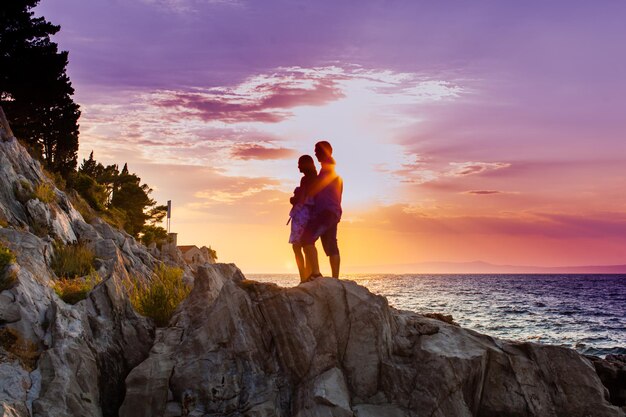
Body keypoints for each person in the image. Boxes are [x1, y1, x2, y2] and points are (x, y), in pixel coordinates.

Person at [301, 141, 343, 280]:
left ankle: (316, 273)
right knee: (331, 245)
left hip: (324, 213)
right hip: (333, 213)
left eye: (317, 150)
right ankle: (335, 279)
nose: (315, 153)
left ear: (324, 151)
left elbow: (316, 191)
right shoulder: (335, 174)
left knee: (306, 239)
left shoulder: (327, 172)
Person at [288, 155, 317, 281]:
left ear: (306, 165)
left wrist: (293, 199)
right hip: (308, 215)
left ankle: (304, 277)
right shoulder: (315, 178)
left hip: (302, 215)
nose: (298, 166)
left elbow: (303, 198)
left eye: (300, 163)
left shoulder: (306, 180)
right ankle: (307, 275)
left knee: (297, 246)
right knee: (305, 246)